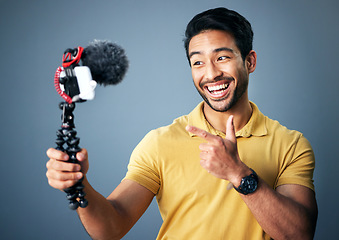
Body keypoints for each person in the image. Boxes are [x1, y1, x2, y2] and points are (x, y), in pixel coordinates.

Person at [46, 7, 318, 240]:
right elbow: (111, 228)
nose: (210, 74)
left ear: (250, 61)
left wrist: (239, 174)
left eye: (222, 57)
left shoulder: (291, 144)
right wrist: (79, 185)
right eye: (197, 62)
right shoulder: (160, 142)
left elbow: (299, 235)